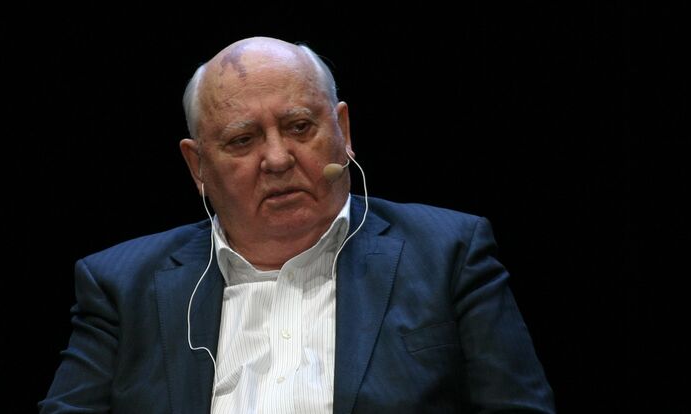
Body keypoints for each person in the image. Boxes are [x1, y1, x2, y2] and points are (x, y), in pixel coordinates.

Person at [40, 36, 555, 413]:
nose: (278, 159)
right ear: (198, 166)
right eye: (242, 140)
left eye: (299, 127)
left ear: (343, 131)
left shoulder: (448, 253)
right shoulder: (121, 285)